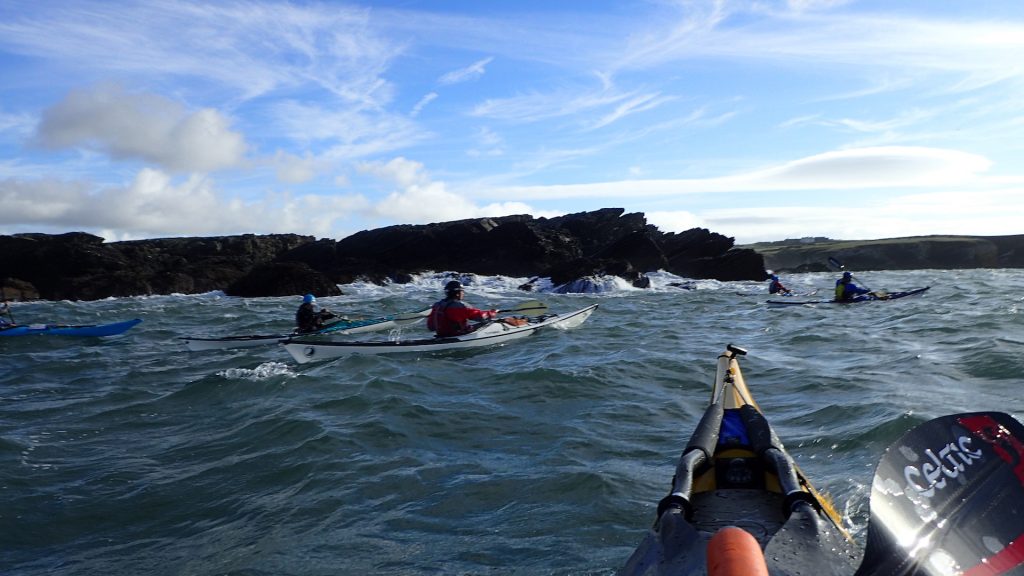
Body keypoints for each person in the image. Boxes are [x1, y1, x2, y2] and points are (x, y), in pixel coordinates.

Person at [427, 280, 498, 337]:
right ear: (457, 293)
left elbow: (431, 327)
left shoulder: (437, 305)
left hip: (441, 335)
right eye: (462, 291)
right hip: (457, 335)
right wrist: (492, 313)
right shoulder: (460, 306)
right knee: (494, 322)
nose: (463, 293)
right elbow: (481, 317)